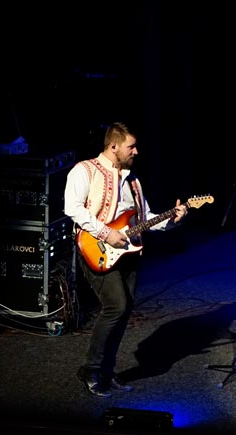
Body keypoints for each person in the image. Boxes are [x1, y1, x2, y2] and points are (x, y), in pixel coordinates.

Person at [64, 121, 188, 398]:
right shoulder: (84, 170)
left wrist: (172, 220)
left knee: (125, 308)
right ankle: (90, 369)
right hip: (95, 248)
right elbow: (72, 208)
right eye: (131, 147)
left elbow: (145, 220)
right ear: (113, 146)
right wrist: (106, 233)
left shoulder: (133, 181)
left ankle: (107, 372)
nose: (136, 151)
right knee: (115, 306)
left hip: (128, 250)